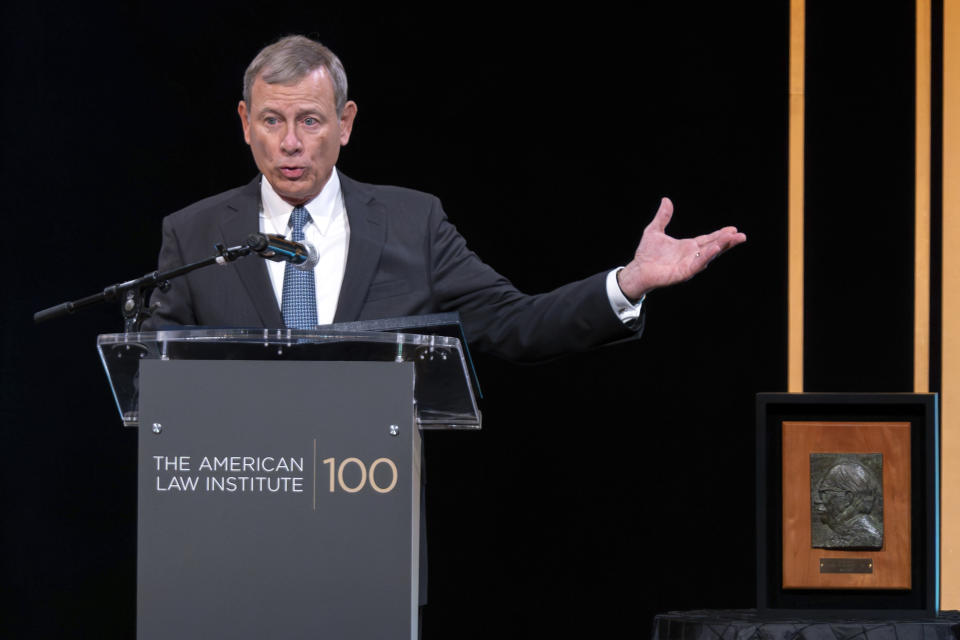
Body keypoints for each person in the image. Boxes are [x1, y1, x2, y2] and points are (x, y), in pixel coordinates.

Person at [142, 35, 746, 355]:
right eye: (272, 121)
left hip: (368, 513)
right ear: (244, 122)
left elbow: (516, 325)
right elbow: (154, 384)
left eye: (311, 121)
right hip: (230, 518)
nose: (290, 144)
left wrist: (628, 284)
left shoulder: (413, 223)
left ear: (346, 123)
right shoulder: (194, 235)